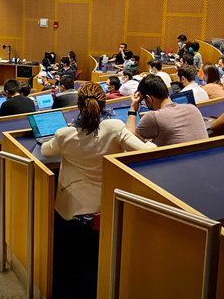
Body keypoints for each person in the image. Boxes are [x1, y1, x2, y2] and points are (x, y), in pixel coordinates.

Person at [41, 82, 154, 299]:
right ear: (104, 104)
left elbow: (46, 151)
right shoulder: (114, 127)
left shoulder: (64, 134)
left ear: (78, 106)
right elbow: (143, 151)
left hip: (73, 214)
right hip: (108, 209)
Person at [125, 75, 209, 146]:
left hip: (179, 164)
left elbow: (127, 140)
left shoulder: (154, 117)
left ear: (148, 99)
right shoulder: (192, 108)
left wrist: (133, 108)